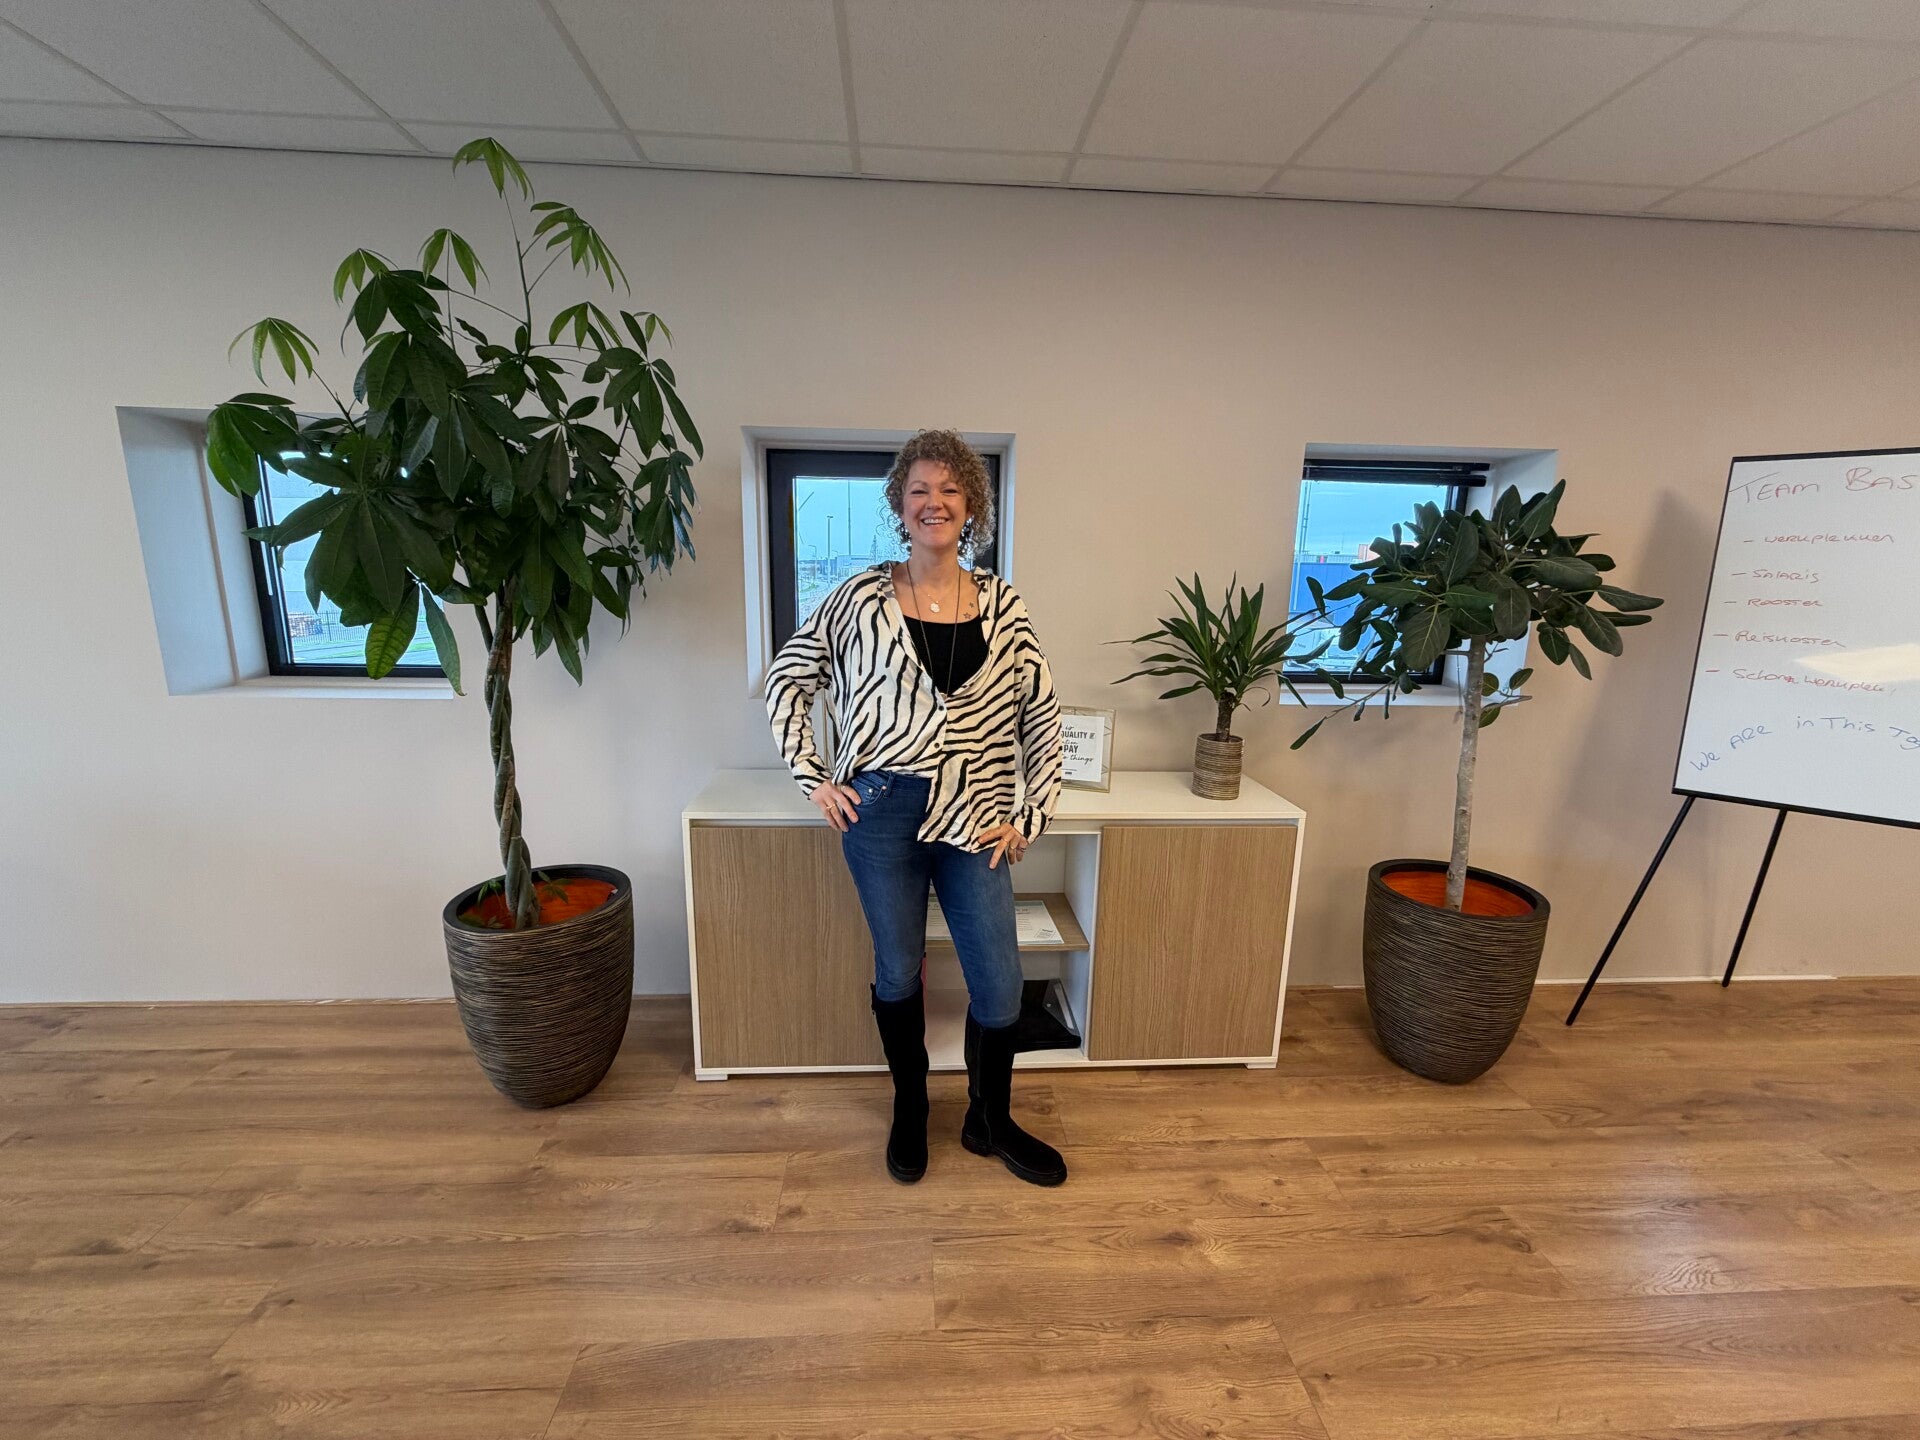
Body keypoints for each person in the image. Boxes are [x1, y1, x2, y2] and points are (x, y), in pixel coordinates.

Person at [764, 429, 1068, 1187]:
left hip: (976, 818)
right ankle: (910, 1104)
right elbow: (788, 680)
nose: (935, 502)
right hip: (881, 813)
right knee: (898, 968)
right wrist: (814, 778)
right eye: (920, 490)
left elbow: (1043, 717)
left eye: (951, 489)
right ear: (900, 505)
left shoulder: (1003, 605)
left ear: (972, 506)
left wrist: (1029, 815)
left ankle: (989, 1119)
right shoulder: (857, 598)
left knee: (999, 983)